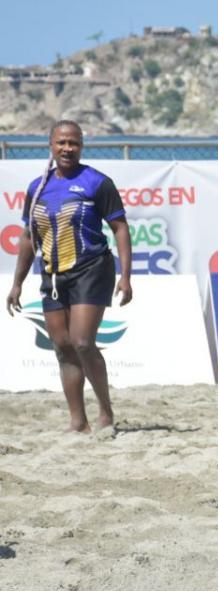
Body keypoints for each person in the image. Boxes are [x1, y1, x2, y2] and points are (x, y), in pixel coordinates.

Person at [5, 120, 133, 436]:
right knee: (62, 346)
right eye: (61, 142)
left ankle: (105, 412)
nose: (67, 149)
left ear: (81, 147)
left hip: (92, 269)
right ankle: (78, 422)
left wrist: (126, 276)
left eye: (73, 143)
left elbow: (120, 228)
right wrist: (17, 282)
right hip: (52, 274)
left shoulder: (97, 182)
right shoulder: (37, 187)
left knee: (83, 341)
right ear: (50, 144)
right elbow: (28, 237)